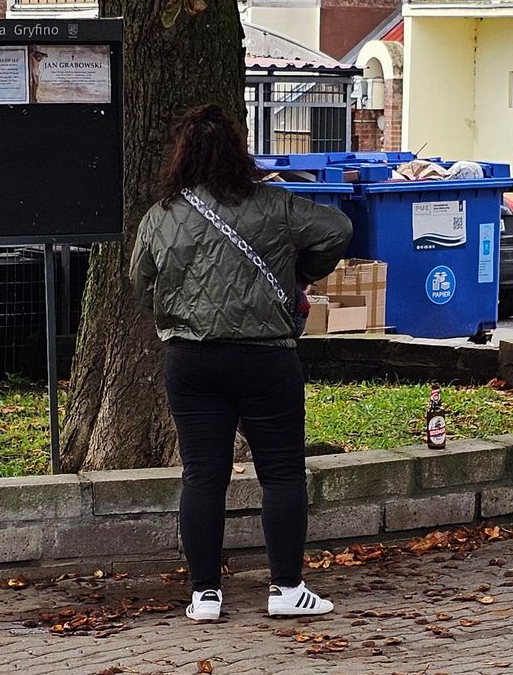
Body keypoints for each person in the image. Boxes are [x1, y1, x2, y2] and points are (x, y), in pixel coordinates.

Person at [129, 104, 352, 621]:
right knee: (280, 474)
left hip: (192, 360)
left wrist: (178, 308)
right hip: (265, 359)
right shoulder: (276, 206)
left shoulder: (161, 216)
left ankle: (205, 594)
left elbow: (141, 285)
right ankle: (287, 590)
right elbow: (337, 227)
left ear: (182, 157)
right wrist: (302, 271)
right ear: (238, 152)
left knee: (203, 476)